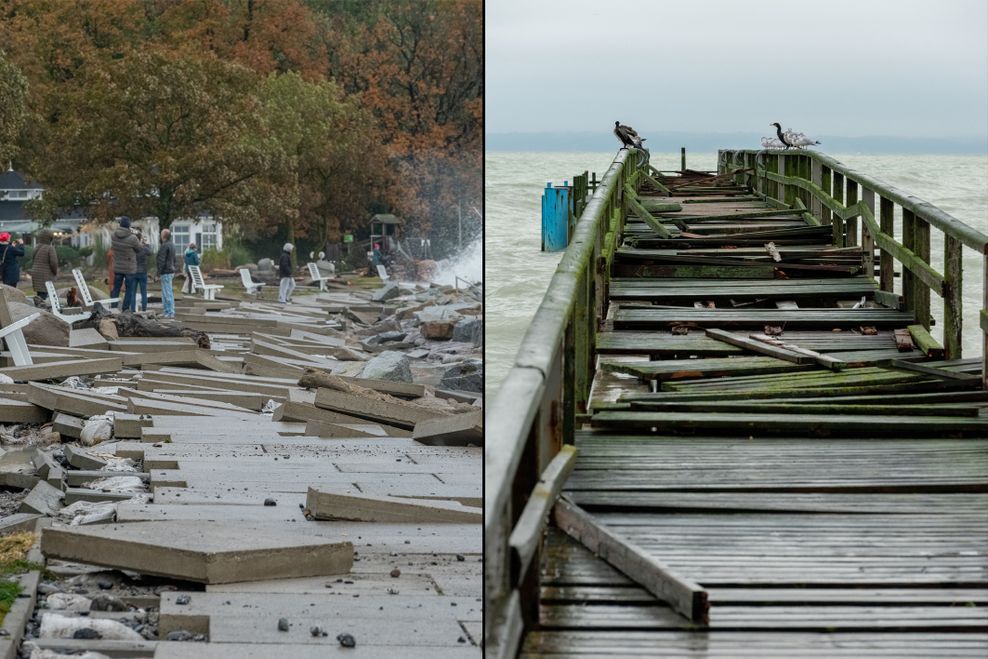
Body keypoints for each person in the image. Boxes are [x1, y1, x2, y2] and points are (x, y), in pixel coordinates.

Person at [109, 216, 141, 312]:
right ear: (129, 226)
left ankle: (114, 307)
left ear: (120, 225)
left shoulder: (113, 235)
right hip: (129, 268)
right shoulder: (133, 238)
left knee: (116, 288)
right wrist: (137, 236)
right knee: (129, 289)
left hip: (118, 267)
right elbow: (139, 249)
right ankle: (125, 308)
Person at [31, 229, 59, 301]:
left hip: (35, 273)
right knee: (44, 295)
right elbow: (54, 263)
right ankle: (43, 311)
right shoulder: (50, 248)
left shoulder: (36, 247)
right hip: (45, 274)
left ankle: (38, 308)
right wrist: (55, 272)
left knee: (40, 294)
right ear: (50, 238)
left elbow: (33, 259)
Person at [156, 228, 177, 318]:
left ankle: (170, 312)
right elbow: (174, 259)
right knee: (167, 292)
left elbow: (161, 260)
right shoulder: (172, 245)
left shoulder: (164, 246)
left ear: (163, 236)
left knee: (167, 293)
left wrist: (158, 273)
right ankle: (167, 311)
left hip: (166, 271)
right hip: (170, 270)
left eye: (161, 234)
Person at [133, 229, 151, 312]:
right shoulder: (144, 248)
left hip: (133, 272)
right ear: (140, 239)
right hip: (143, 272)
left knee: (132, 292)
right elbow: (150, 253)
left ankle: (132, 310)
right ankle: (144, 309)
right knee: (143, 292)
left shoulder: (132, 248)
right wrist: (146, 244)